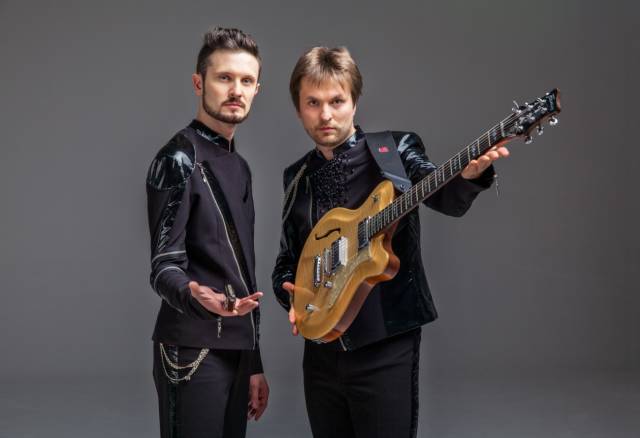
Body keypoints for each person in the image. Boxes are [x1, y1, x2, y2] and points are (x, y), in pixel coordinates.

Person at [272, 46, 510, 438]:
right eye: (313, 103)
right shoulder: (296, 177)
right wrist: (292, 298)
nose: (326, 114)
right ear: (298, 109)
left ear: (354, 102)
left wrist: (468, 177)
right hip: (321, 351)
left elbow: (442, 196)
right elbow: (287, 261)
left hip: (385, 345)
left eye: (336, 101)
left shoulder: (393, 151)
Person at [146, 27, 269, 438]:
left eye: (246, 81)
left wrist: (254, 362)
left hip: (238, 350)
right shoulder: (178, 157)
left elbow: (243, 273)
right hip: (191, 348)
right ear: (199, 82)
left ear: (256, 90)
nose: (236, 90)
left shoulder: (241, 167)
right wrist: (192, 293)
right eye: (224, 78)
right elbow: (163, 265)